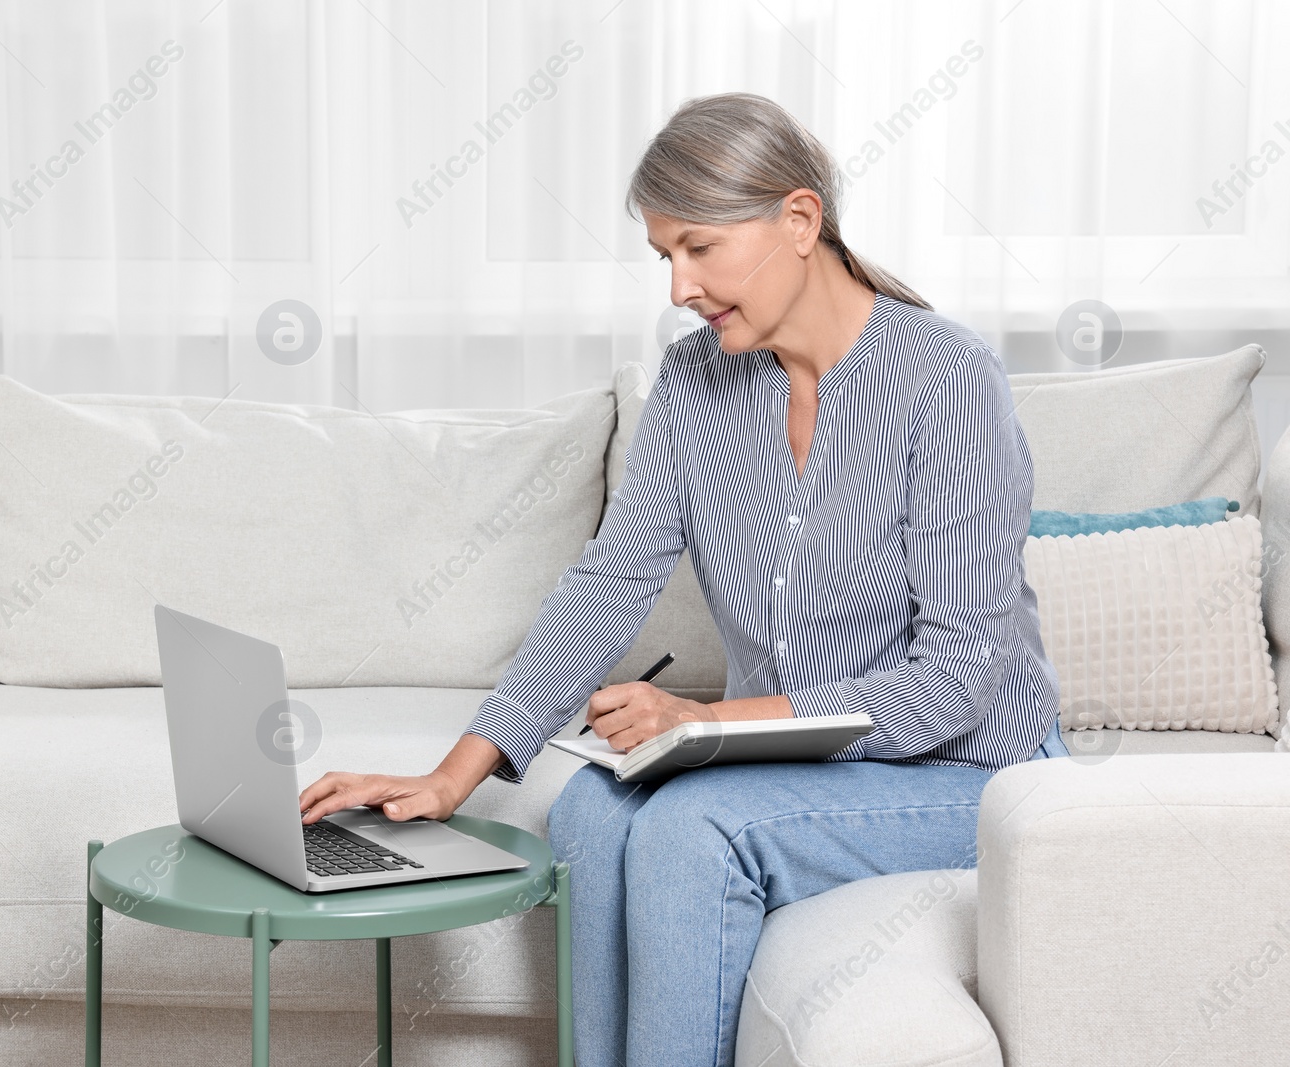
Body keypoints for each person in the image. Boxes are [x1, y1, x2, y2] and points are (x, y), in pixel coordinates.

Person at [298, 91, 1065, 1066]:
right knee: (591, 807)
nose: (676, 286)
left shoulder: (946, 379)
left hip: (969, 775)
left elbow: (954, 677)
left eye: (698, 248)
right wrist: (456, 772)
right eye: (664, 255)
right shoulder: (698, 383)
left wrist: (705, 725)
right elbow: (611, 579)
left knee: (690, 830)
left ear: (798, 221)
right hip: (804, 764)